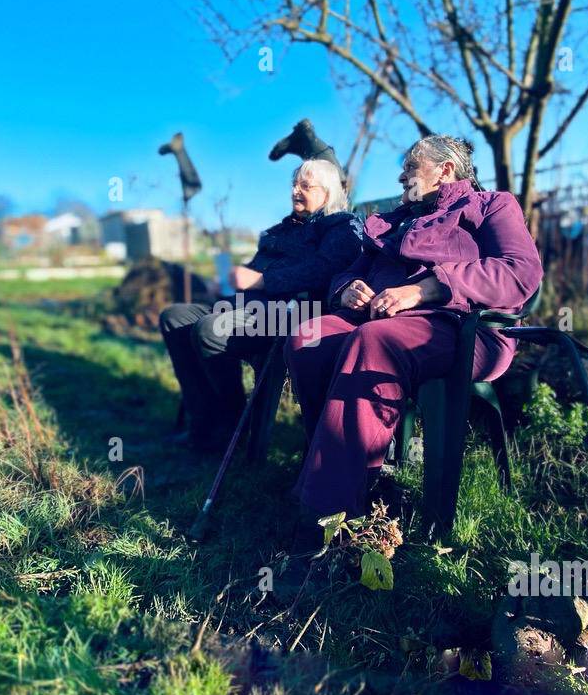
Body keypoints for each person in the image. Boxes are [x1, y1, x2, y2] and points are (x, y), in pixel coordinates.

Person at [284, 135, 543, 540]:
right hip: (375, 319)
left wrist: (424, 289)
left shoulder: (491, 205)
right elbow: (349, 270)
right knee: (309, 338)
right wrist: (347, 287)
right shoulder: (393, 220)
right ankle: (346, 467)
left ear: (444, 169)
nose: (402, 174)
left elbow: (519, 271)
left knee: (375, 342)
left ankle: (325, 515)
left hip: (459, 326)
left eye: (410, 166)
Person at [160, 158, 363, 451]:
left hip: (294, 313)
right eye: (294, 184)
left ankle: (231, 424)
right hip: (246, 306)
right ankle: (203, 421)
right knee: (175, 317)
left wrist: (260, 281)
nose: (295, 190)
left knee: (210, 329)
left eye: (305, 185)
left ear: (328, 193)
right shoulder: (282, 230)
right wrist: (228, 284)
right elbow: (253, 272)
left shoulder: (340, 227)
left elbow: (323, 271)